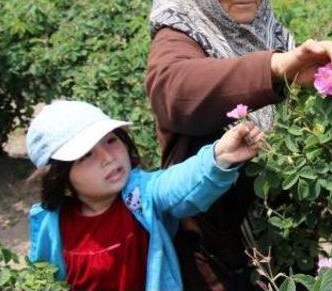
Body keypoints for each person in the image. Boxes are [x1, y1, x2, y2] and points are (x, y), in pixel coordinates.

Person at [146, 0, 332, 290]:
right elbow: (174, 91)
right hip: (212, 241)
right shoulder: (177, 33)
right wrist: (272, 68)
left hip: (274, 228)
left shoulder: (265, 28)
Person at [26, 100, 265, 291]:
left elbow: (178, 184)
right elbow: (44, 278)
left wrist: (218, 157)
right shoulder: (52, 224)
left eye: (111, 140)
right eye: (86, 155)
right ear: (60, 174)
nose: (108, 157)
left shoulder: (141, 195)